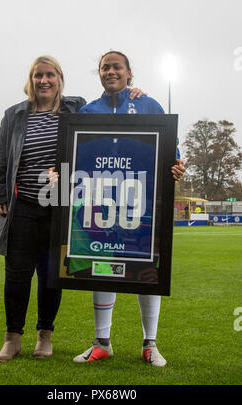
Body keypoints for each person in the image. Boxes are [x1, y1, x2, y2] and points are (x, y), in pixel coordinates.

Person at [0, 55, 144, 362]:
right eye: (38, 75)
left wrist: (134, 94)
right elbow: (0, 157)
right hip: (23, 205)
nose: (44, 80)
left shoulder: (76, 108)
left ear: (60, 79)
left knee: (51, 274)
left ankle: (44, 335)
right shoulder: (14, 115)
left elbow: (108, 114)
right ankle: (12, 337)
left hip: (60, 204)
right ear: (31, 80)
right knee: (17, 274)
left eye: (50, 75)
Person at [73, 51, 185, 367]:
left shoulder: (150, 105)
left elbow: (171, 152)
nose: (110, 71)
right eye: (105, 67)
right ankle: (102, 342)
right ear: (98, 73)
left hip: (142, 202)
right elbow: (77, 153)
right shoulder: (87, 111)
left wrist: (176, 167)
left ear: (129, 72)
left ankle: (150, 344)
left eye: (116, 66)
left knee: (146, 269)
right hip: (101, 203)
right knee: (102, 267)